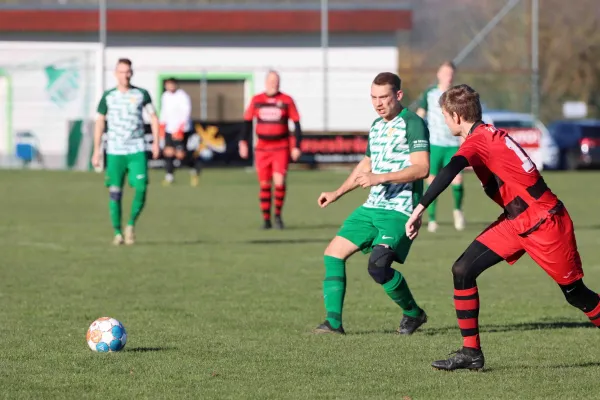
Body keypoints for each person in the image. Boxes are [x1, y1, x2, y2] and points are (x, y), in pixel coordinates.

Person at [406, 84, 600, 371]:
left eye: (445, 116)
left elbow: (449, 170)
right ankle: (471, 353)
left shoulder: (478, 140)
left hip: (546, 222)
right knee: (463, 269)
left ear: (457, 117)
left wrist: (419, 209)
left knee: (576, 294)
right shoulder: (486, 134)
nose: (445, 122)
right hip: (516, 222)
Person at [313, 72, 430, 335]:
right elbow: (366, 164)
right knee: (333, 254)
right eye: (374, 98)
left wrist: (381, 177)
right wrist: (337, 192)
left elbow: (422, 168)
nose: (378, 103)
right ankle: (333, 323)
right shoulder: (377, 126)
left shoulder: (413, 123)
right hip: (371, 206)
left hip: (399, 209)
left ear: (398, 95)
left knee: (378, 267)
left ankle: (413, 314)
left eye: (384, 97)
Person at [92, 58, 160, 246]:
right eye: (122, 71)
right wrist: (96, 150)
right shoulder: (108, 97)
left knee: (141, 188)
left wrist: (156, 143)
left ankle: (130, 224)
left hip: (136, 149)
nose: (125, 75)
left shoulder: (141, 94)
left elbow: (154, 117)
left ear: (132, 73)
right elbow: (99, 123)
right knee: (115, 192)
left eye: (128, 71)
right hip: (115, 151)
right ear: (116, 74)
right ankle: (117, 232)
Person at [239, 70, 302, 230]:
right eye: (271, 80)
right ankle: (266, 220)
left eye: (277, 81)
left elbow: (296, 124)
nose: (274, 83)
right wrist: (243, 142)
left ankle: (278, 217)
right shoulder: (257, 100)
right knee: (264, 184)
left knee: (279, 181)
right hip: (262, 149)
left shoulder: (286, 100)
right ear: (266, 82)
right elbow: (247, 122)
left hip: (280, 147)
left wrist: (296, 145)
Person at [416, 61, 465, 232]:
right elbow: (421, 113)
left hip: (453, 144)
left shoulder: (458, 94)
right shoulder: (430, 93)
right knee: (432, 182)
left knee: (457, 180)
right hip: (435, 144)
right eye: (445, 73)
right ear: (439, 74)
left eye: (451, 73)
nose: (448, 76)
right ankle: (432, 219)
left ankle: (457, 211)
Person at [159, 78, 200, 187]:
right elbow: (164, 111)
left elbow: (186, 111)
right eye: (168, 85)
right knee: (168, 152)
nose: (170, 86)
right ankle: (169, 176)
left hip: (181, 129)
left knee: (180, 155)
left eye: (172, 84)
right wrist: (162, 126)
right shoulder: (165, 96)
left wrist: (180, 128)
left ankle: (194, 168)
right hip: (169, 128)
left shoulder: (182, 95)